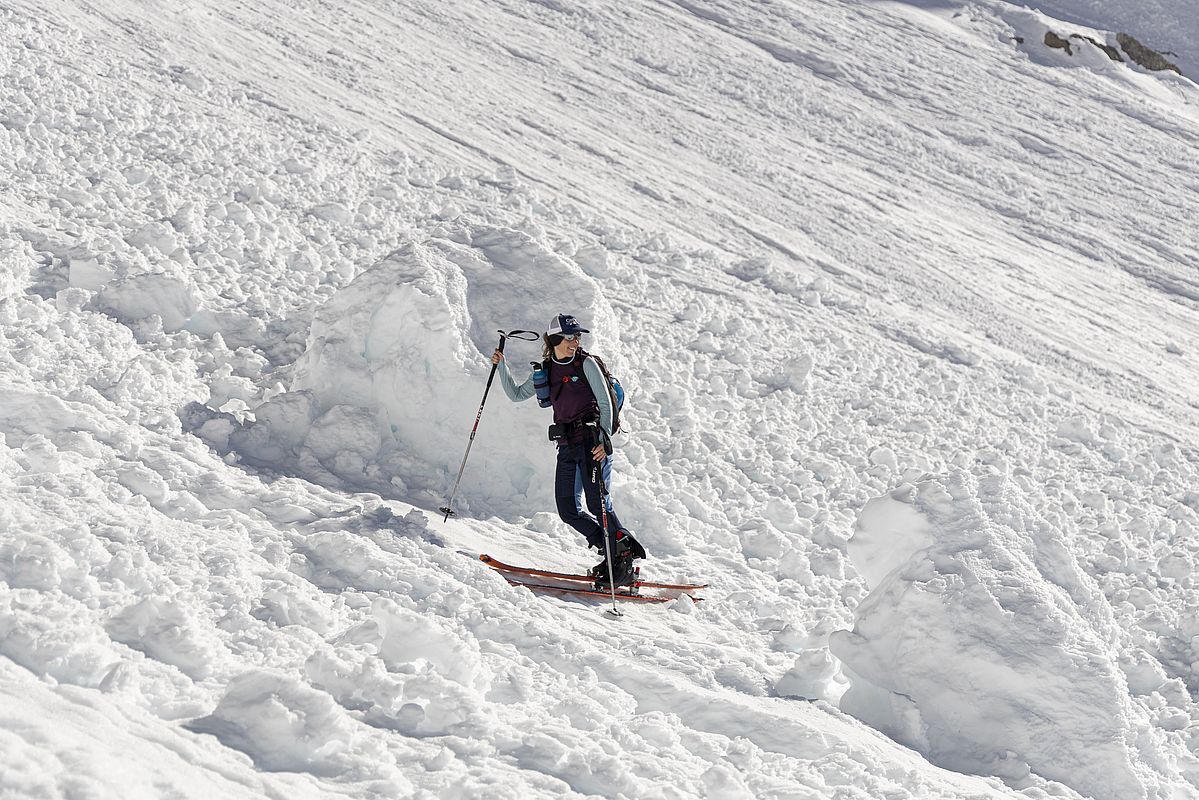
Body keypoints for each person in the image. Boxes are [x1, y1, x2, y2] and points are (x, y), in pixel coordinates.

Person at [493, 313, 645, 589]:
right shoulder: (546, 370)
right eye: (571, 336)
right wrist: (501, 366)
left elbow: (605, 402)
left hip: (593, 442)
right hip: (566, 445)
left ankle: (621, 561)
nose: (576, 341)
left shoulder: (585, 363)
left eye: (578, 336)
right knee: (567, 509)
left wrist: (604, 439)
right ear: (555, 340)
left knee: (597, 504)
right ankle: (614, 551)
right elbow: (516, 395)